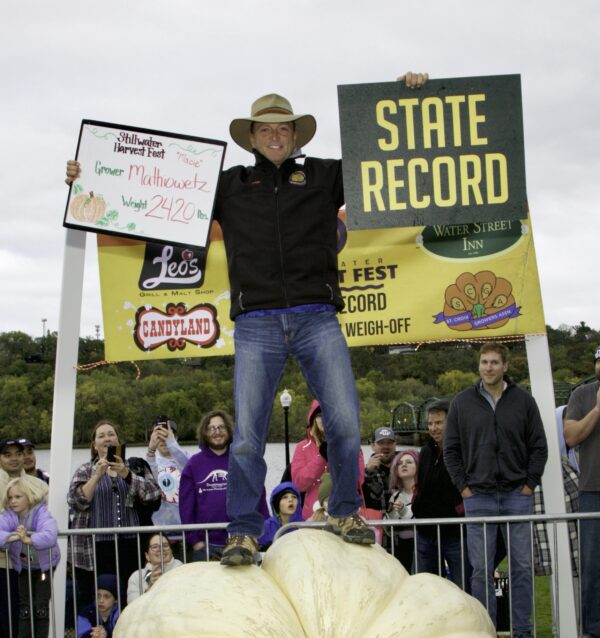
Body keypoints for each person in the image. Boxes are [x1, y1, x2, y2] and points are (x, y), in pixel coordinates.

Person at [67, 74, 428, 566]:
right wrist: (88, 178)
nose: (276, 135)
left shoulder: (325, 176)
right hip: (257, 323)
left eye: (284, 128)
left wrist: (411, 97)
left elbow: (387, 157)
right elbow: (146, 192)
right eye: (265, 128)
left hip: (318, 316)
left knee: (345, 422)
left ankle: (345, 511)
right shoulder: (229, 186)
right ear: (252, 137)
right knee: (247, 440)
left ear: (296, 136)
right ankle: (241, 532)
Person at [444, 342, 548, 638]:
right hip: (479, 497)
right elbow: (451, 451)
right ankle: (485, 637)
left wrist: (529, 485)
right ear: (479, 366)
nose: (488, 367)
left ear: (505, 366)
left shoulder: (524, 402)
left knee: (521, 567)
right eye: (484, 362)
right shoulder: (462, 403)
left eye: (494, 362)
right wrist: (465, 488)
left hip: (518, 495)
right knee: (480, 571)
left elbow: (539, 446)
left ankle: (523, 635)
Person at [67, 420, 161, 608]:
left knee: (135, 595)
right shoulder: (85, 470)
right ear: (94, 444)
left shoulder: (135, 467)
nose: (107, 438)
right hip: (97, 546)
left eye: (111, 434)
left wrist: (126, 473)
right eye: (101, 436)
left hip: (133, 543)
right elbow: (76, 501)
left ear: (117, 440)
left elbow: (153, 495)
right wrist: (96, 476)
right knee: (103, 599)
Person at [411, 400, 471, 591]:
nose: (433, 428)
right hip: (425, 532)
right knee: (421, 589)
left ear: (451, 422)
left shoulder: (465, 450)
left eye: (438, 423)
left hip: (455, 533)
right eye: (430, 424)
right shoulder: (426, 451)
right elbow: (420, 484)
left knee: (463, 589)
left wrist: (460, 510)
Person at [0, 477, 60, 638]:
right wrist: (13, 537)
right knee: (24, 606)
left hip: (43, 566)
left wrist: (29, 539)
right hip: (23, 567)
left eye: (18, 496)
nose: (13, 501)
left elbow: (50, 534)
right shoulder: (10, 515)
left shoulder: (41, 513)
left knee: (40, 605)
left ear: (30, 496)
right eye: (10, 497)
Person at [564, 347, 600, 638]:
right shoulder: (582, 394)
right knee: (592, 565)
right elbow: (571, 436)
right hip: (592, 490)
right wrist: (598, 410)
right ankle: (592, 631)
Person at [179, 410, 240, 561]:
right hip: (205, 545)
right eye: (211, 428)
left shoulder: (241, 460)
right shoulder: (193, 464)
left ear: (228, 430)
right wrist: (195, 541)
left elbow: (257, 497)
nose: (217, 432)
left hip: (238, 542)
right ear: (204, 433)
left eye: (221, 427)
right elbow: (186, 507)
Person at [145, 416, 188, 556]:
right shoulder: (150, 461)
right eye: (159, 435)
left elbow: (188, 470)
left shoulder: (187, 459)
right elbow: (149, 481)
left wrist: (172, 444)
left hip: (187, 532)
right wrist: (151, 449)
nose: (163, 439)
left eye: (167, 434)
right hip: (161, 534)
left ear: (175, 436)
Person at [385, 449, 419, 572]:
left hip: (422, 546)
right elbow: (389, 528)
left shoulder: (424, 493)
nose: (404, 465)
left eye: (409, 462)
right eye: (400, 463)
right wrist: (389, 515)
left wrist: (404, 511)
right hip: (402, 547)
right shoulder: (394, 496)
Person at [362, 426, 397, 517]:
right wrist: (367, 473)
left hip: (404, 526)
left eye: (389, 443)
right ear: (373, 446)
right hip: (378, 527)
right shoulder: (364, 474)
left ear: (395, 445)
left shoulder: (407, 466)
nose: (385, 446)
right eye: (381, 443)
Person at [259, 482, 304, 551]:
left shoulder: (304, 527)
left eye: (294, 497)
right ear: (277, 504)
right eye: (285, 497)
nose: (290, 500)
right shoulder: (267, 527)